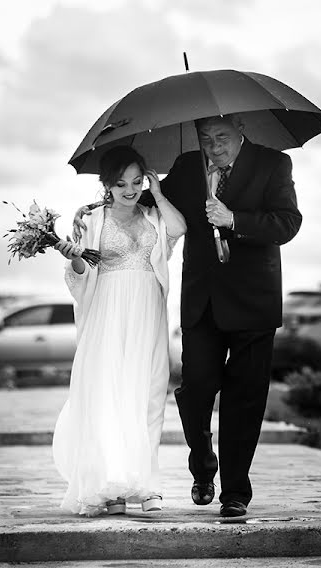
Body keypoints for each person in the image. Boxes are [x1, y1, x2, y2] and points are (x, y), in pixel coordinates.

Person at [139, 114, 301, 518]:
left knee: (244, 399)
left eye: (222, 137)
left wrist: (235, 221)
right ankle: (202, 464)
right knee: (195, 389)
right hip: (202, 302)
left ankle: (235, 492)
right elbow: (152, 206)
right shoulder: (186, 166)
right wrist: (107, 206)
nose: (214, 147)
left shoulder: (273, 164)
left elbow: (288, 222)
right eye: (206, 138)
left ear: (241, 128)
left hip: (254, 303)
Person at [51, 145, 186, 517]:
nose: (130, 189)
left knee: (149, 393)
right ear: (106, 184)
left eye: (137, 181)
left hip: (147, 311)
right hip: (107, 312)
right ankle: (111, 488)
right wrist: (74, 255)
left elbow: (180, 229)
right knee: (108, 394)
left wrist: (158, 194)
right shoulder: (91, 220)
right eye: (121, 183)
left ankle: (148, 486)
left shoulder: (154, 215)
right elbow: (78, 278)